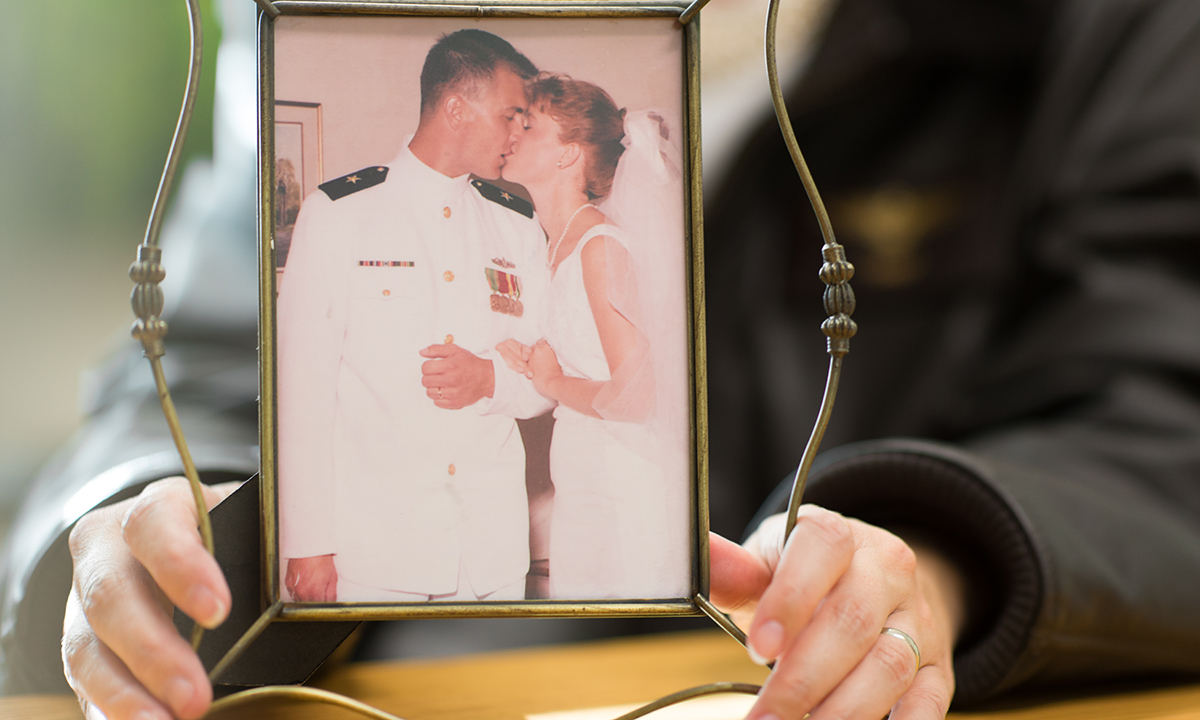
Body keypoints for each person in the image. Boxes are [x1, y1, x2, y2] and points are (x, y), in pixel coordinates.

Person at [3, 1, 1200, 720]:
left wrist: (938, 555)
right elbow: (206, 380)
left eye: (528, 121)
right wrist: (147, 527)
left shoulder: (1095, 37)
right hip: (412, 667)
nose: (510, 132)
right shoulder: (373, 134)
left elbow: (1163, 414)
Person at [276, 28, 552, 604]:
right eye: (510, 115)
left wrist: (490, 380)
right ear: (456, 108)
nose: (518, 133)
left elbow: (549, 377)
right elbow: (301, 393)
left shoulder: (516, 225)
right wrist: (306, 544)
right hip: (375, 554)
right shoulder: (340, 214)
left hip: (489, 554)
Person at [495, 75, 691, 599]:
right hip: (584, 474)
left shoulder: (600, 247)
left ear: (568, 156)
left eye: (529, 124)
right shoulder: (549, 247)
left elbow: (637, 396)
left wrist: (553, 380)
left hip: (623, 481)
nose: (512, 132)